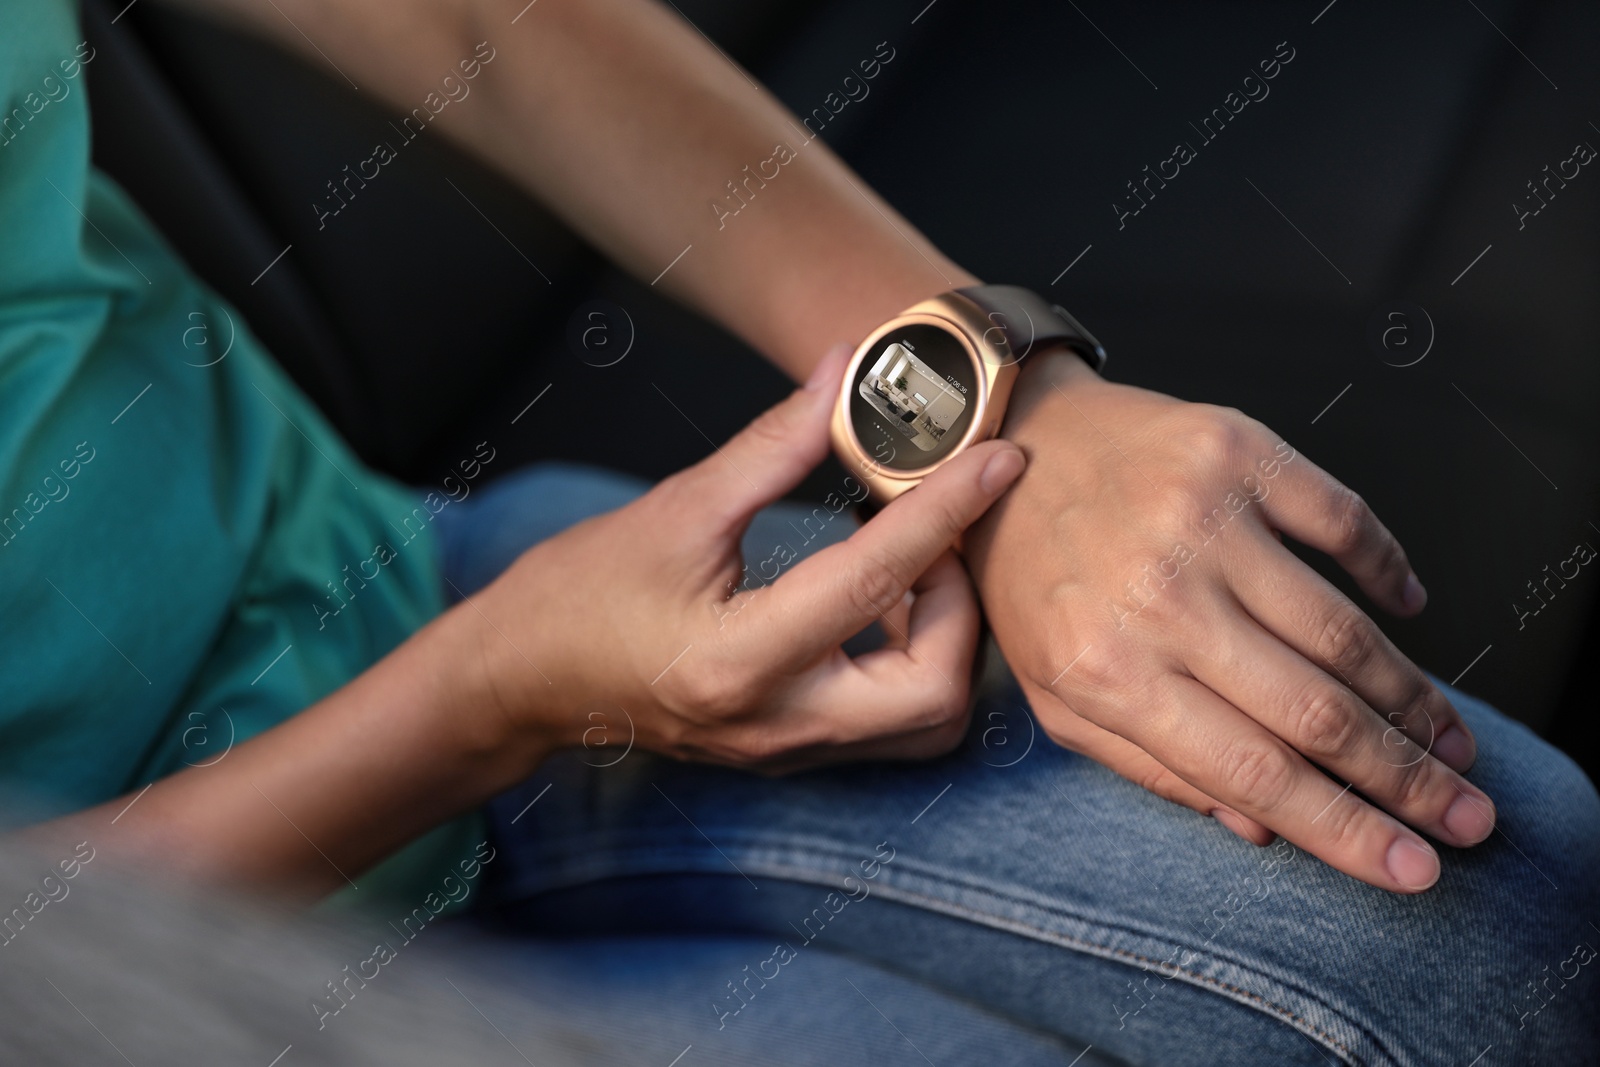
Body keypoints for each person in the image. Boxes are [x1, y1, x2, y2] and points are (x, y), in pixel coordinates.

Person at [0, 0, 1594, 1063]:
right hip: (157, 983)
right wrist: (497, 697)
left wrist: (1000, 391)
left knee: (1510, 893)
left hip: (380, 577)